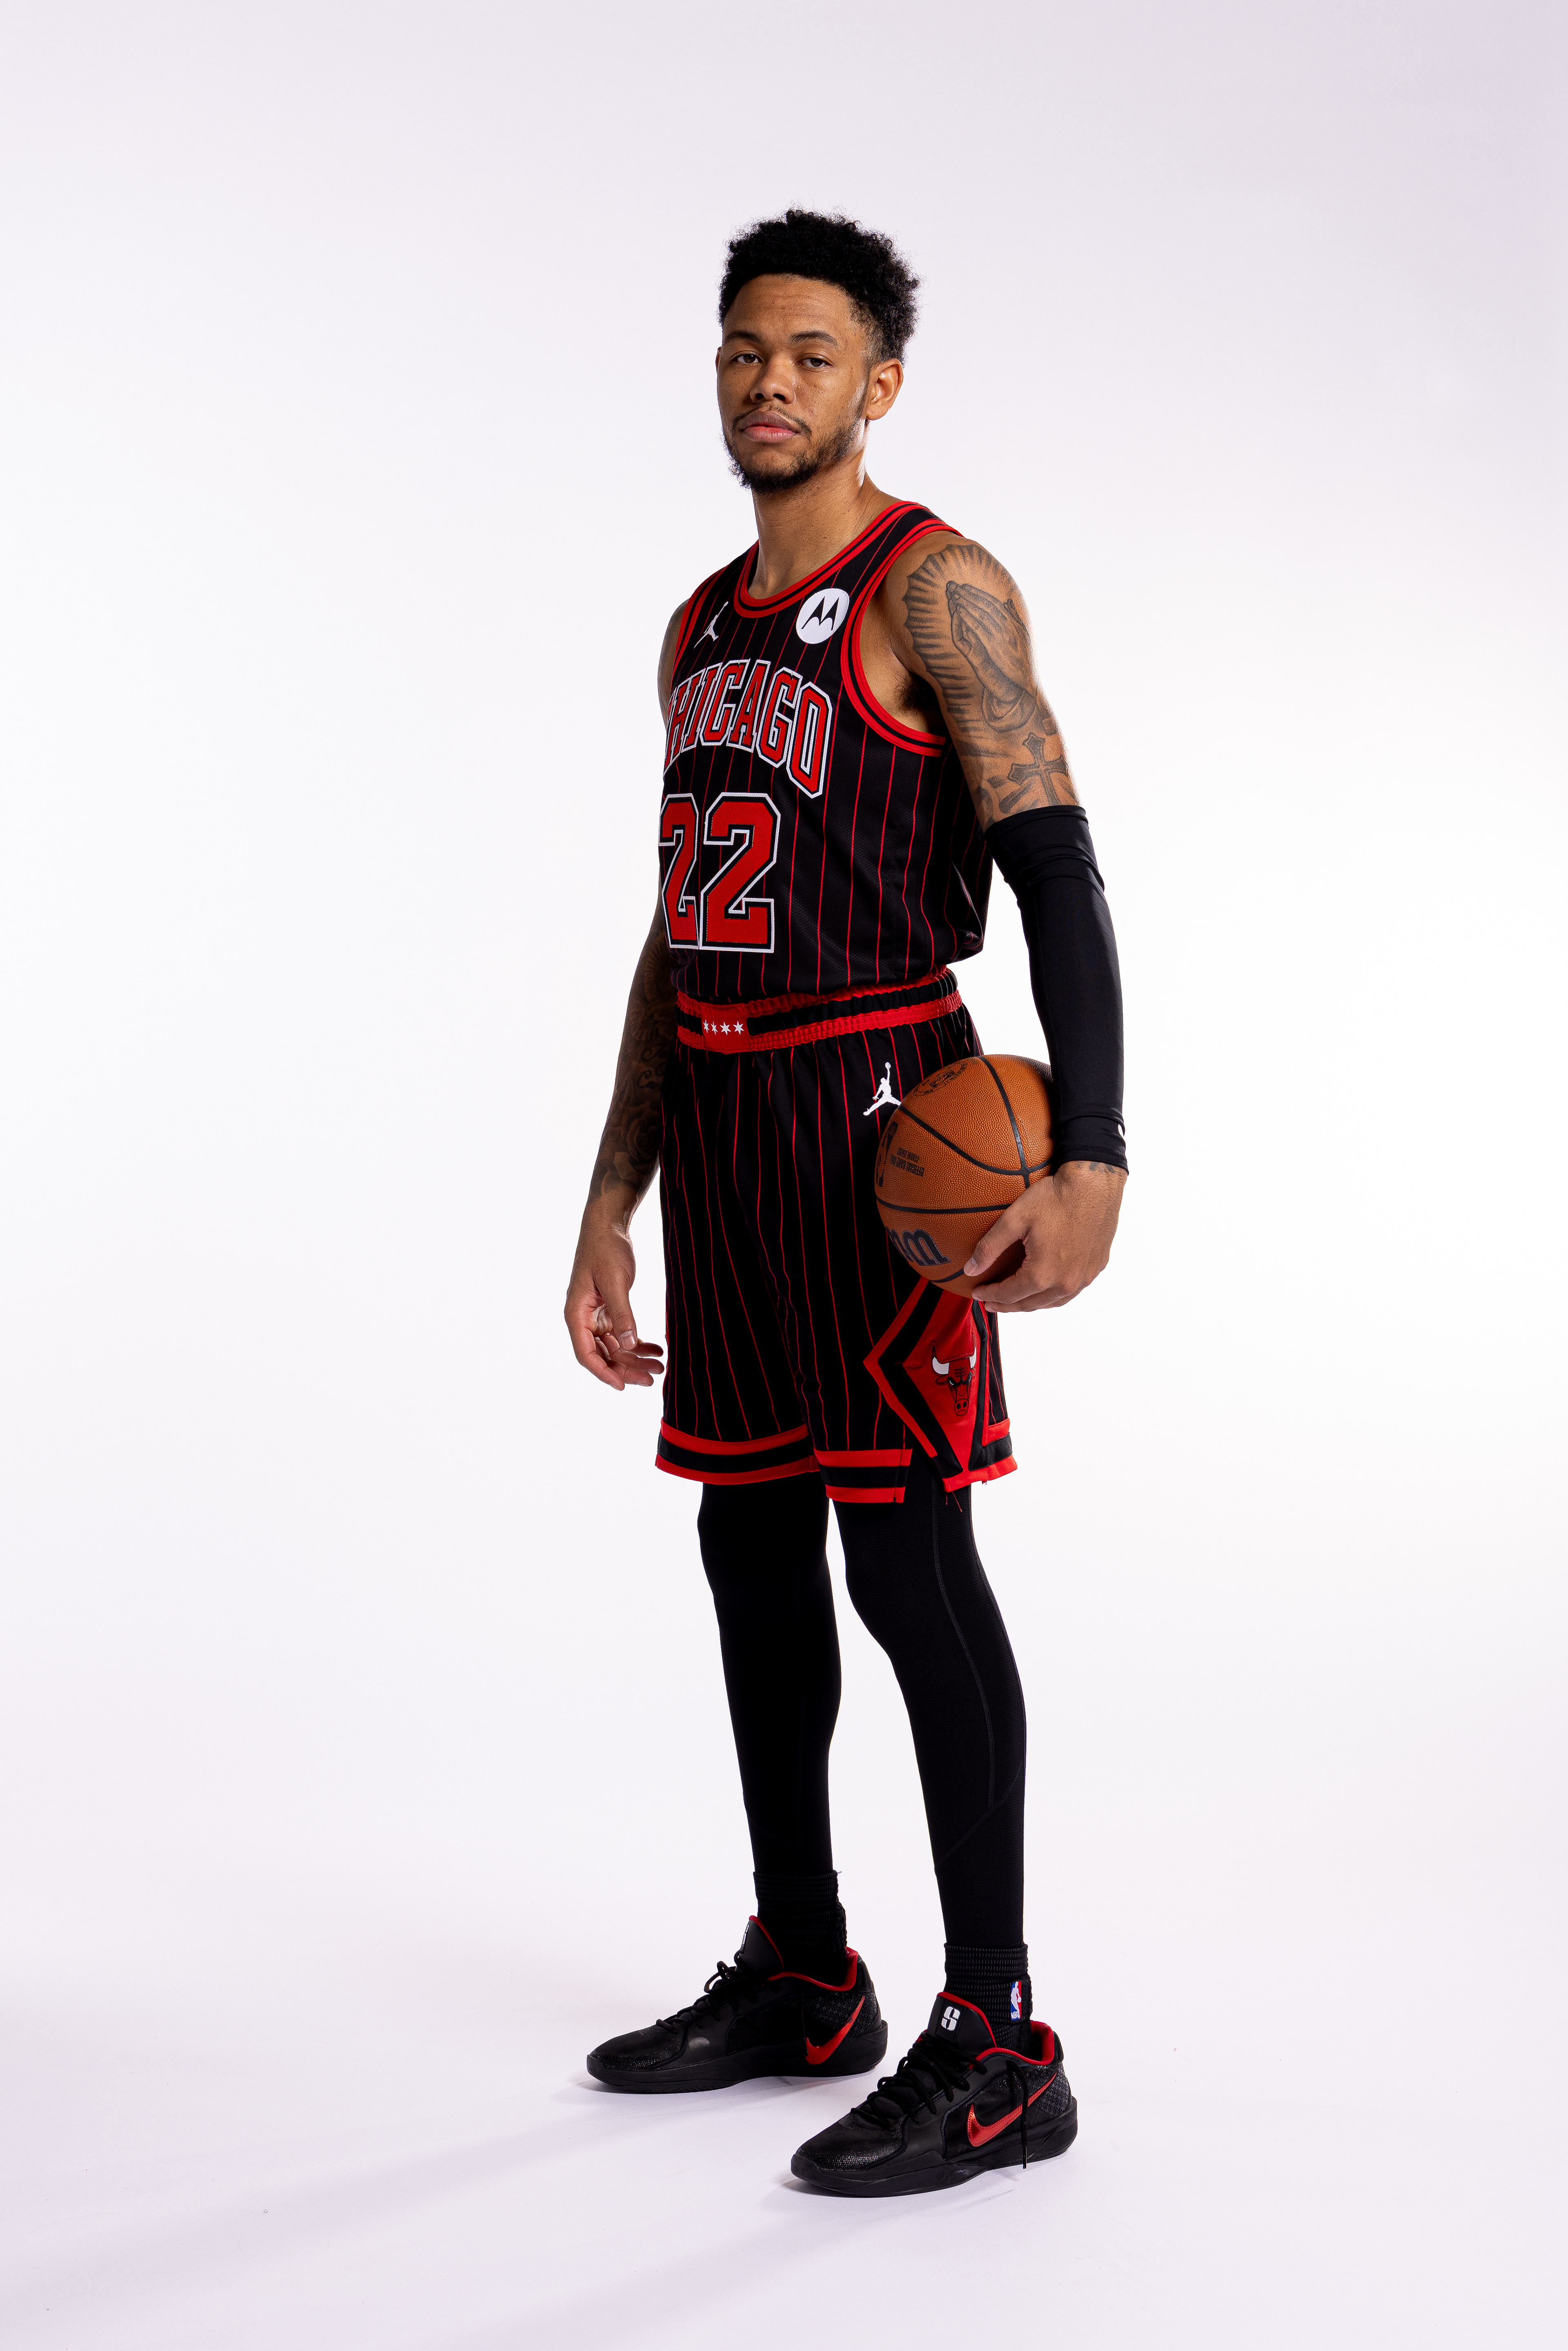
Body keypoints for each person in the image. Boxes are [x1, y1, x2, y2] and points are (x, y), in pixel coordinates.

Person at [563, 209, 1127, 2194]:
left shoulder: (937, 590)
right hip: (725, 1127)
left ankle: (1004, 2040)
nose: (770, 382)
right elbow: (677, 925)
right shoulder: (700, 629)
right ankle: (808, 1972)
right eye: (744, 351)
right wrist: (611, 1191)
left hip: (886, 1121)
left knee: (907, 1561)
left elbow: (1060, 877)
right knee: (747, 1544)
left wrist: (1093, 1154)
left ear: (879, 383)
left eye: (810, 354)